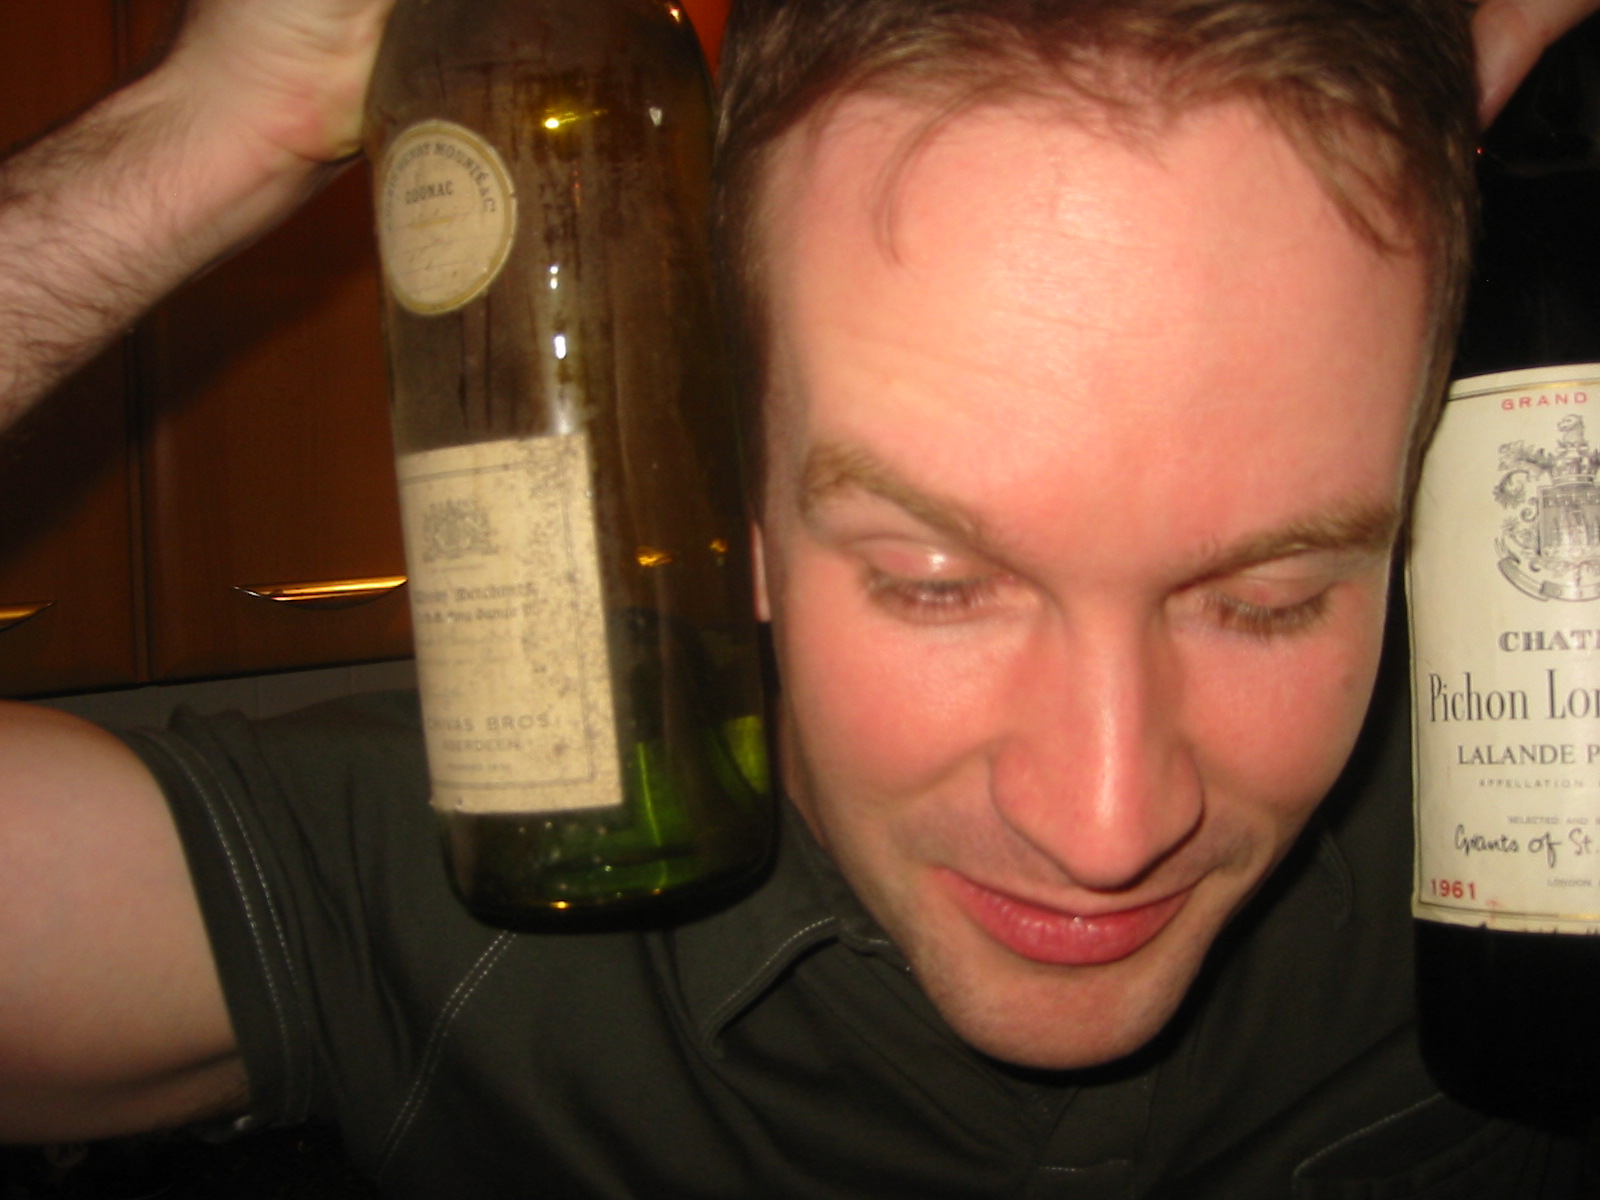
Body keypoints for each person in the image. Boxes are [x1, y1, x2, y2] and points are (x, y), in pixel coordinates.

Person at [0, 0, 1596, 1194]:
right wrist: (201, 141)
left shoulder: (1537, 851)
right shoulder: (505, 869)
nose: (1107, 826)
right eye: (934, 583)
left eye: (1269, 600)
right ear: (732, 502)